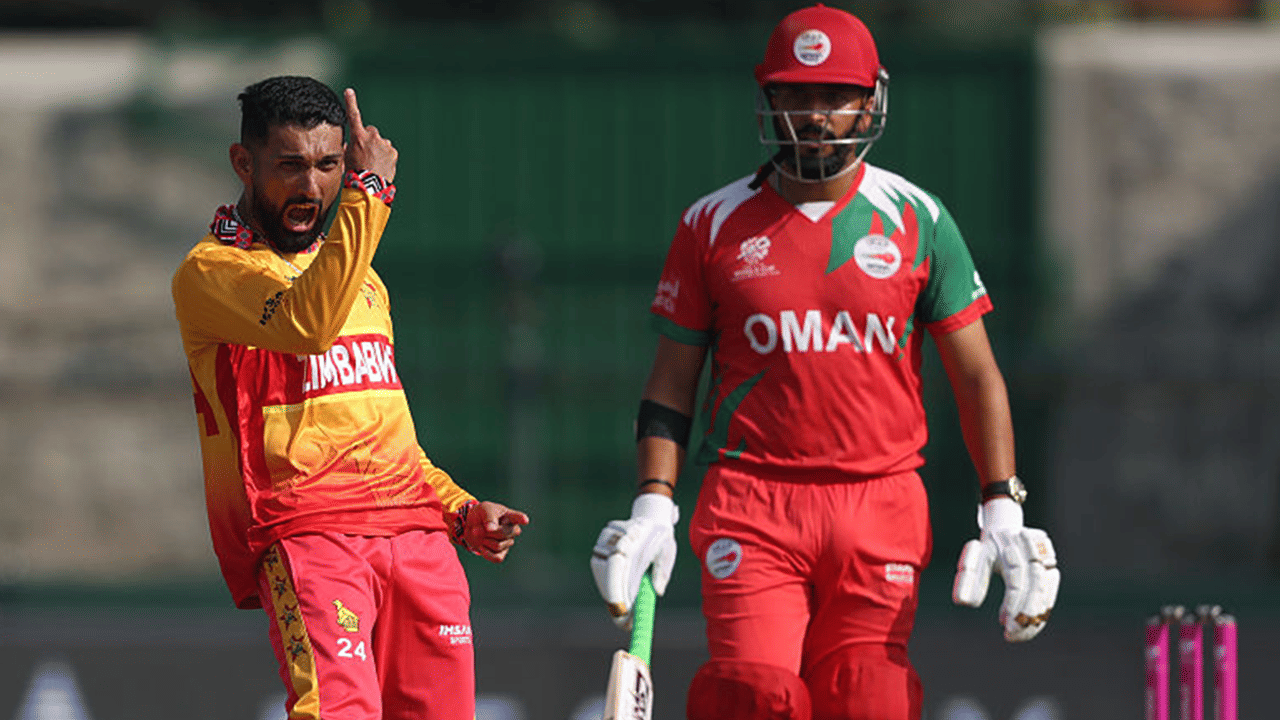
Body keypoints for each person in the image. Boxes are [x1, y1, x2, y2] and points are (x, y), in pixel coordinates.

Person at [590, 7, 1059, 720]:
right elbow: (672, 382)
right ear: (769, 98)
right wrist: (653, 501)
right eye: (798, 95)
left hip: (881, 503)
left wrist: (1002, 505)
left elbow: (976, 376)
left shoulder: (917, 217)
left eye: (836, 95)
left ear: (872, 98)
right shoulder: (711, 223)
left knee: (869, 698)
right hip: (753, 503)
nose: (816, 115)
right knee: (756, 697)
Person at [172, 75, 529, 720]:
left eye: (330, 165)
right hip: (311, 535)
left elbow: (389, 437)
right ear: (242, 163)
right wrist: (371, 193)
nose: (310, 187)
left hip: (418, 540)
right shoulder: (212, 274)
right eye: (290, 166)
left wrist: (459, 509)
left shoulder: (362, 281)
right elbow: (305, 324)